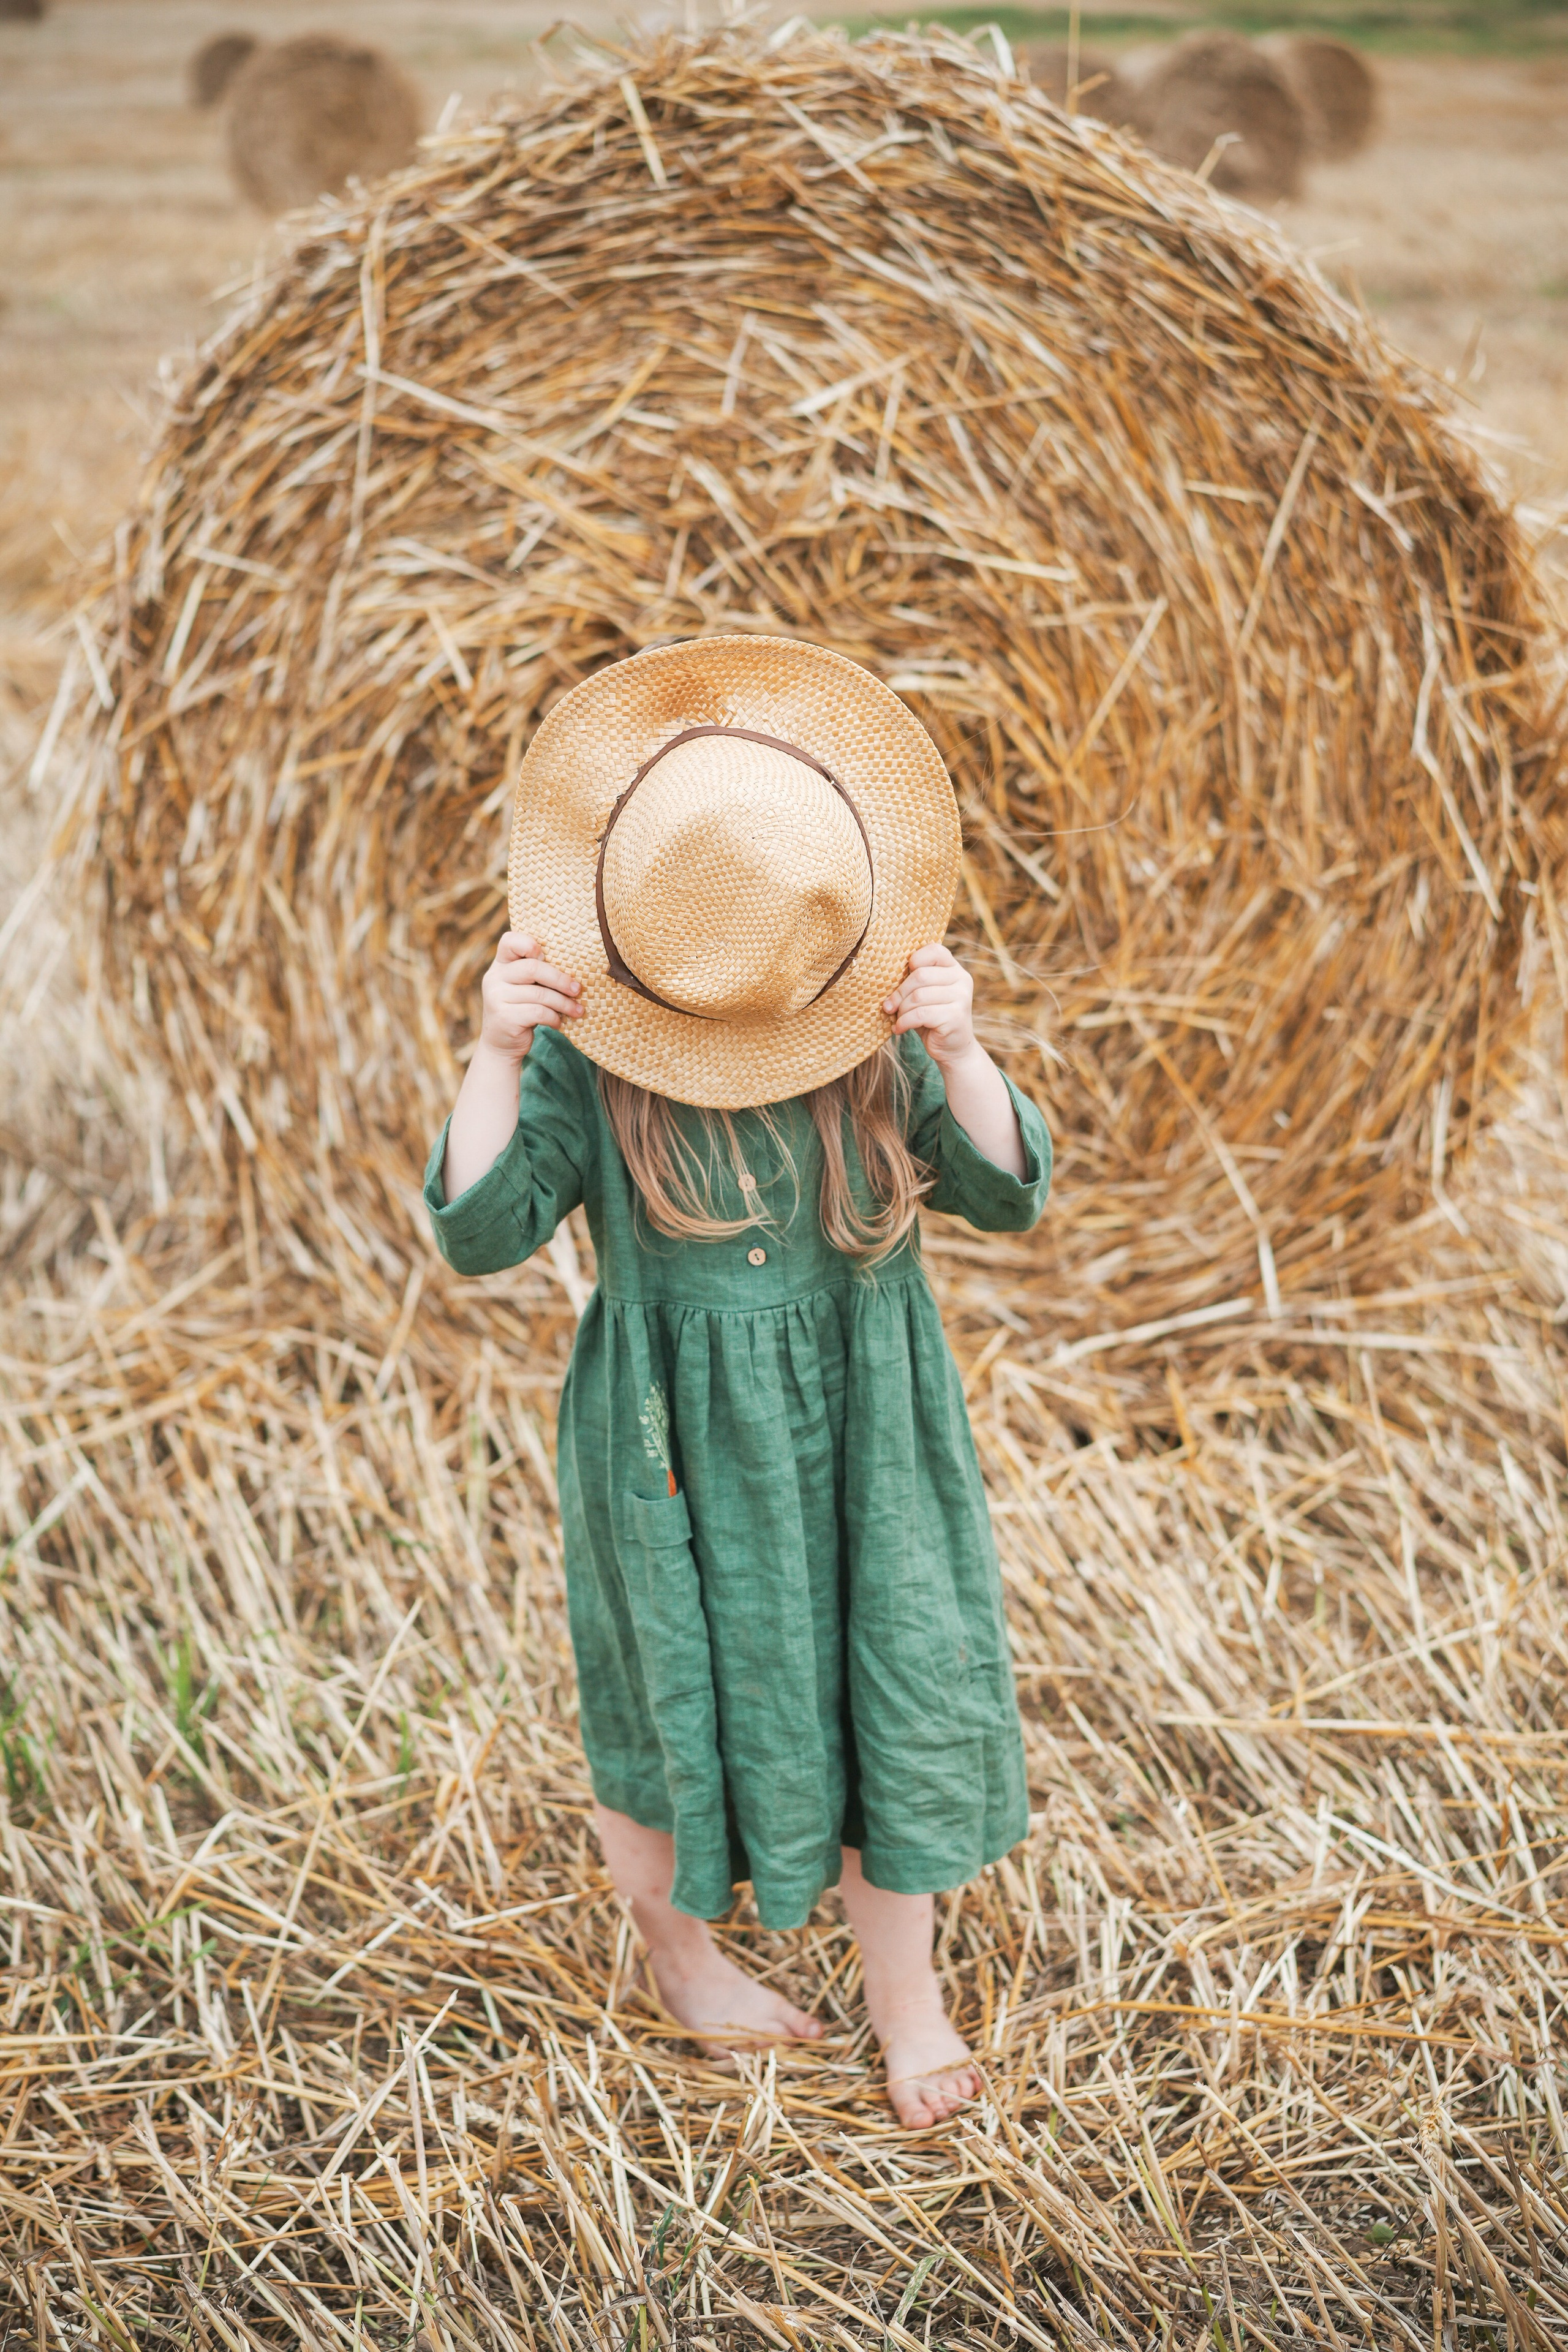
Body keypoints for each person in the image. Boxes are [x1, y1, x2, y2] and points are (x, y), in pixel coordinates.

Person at [424, 635, 1051, 2127]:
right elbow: (483, 1229)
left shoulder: (875, 1044)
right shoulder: (592, 1064)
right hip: (666, 1450)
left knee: (889, 1676)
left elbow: (1005, 1190)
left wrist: (962, 1047)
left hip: (867, 1428)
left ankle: (907, 1999)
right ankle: (685, 1963)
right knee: (663, 1692)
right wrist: (497, 1053)